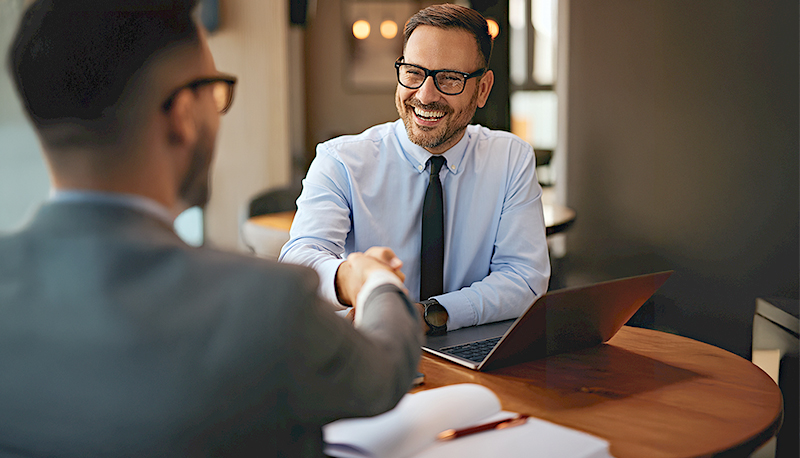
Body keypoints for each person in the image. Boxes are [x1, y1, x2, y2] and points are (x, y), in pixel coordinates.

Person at [0, 1, 422, 456]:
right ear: (183, 113)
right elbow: (385, 371)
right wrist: (374, 279)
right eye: (217, 92)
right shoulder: (266, 304)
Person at [280, 4, 550, 335]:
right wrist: (351, 277)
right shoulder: (341, 161)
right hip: (371, 346)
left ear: (482, 89)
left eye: (450, 78)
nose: (424, 94)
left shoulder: (510, 158)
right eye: (413, 72)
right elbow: (300, 261)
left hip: (469, 345)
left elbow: (525, 278)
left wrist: (430, 313)